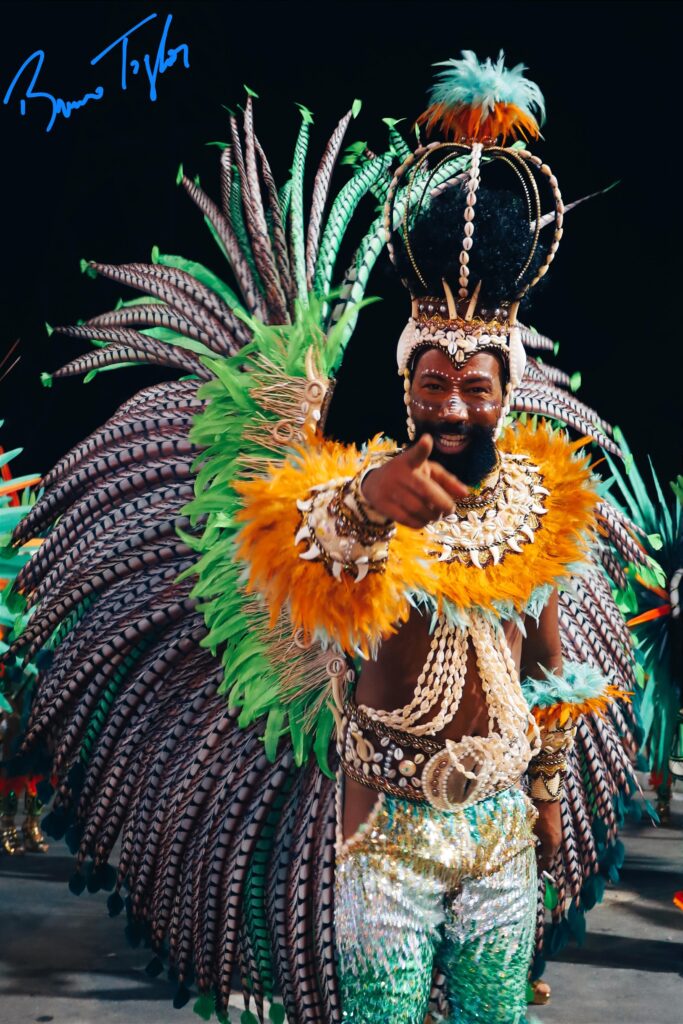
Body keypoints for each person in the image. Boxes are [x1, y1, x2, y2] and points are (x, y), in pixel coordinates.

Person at [5, 52, 640, 1024]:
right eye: (432, 384)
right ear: (404, 387)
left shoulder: (538, 502)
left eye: (475, 387)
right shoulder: (359, 493)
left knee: (493, 1016)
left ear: (507, 390)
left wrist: (550, 799)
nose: (454, 405)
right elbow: (305, 558)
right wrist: (370, 502)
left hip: (503, 827)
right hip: (385, 828)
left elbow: (550, 661)